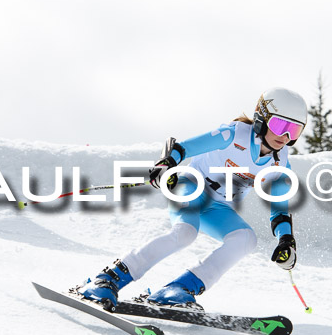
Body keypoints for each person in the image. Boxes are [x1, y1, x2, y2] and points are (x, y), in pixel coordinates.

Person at [79, 87, 308, 310]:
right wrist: (165, 165)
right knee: (185, 233)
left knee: (246, 239)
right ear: (262, 117)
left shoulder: (279, 164)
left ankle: (180, 289)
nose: (285, 136)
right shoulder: (233, 134)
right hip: (190, 187)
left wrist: (286, 241)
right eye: (280, 125)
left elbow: (279, 209)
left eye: (295, 131)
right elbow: (183, 148)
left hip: (216, 206)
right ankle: (108, 278)